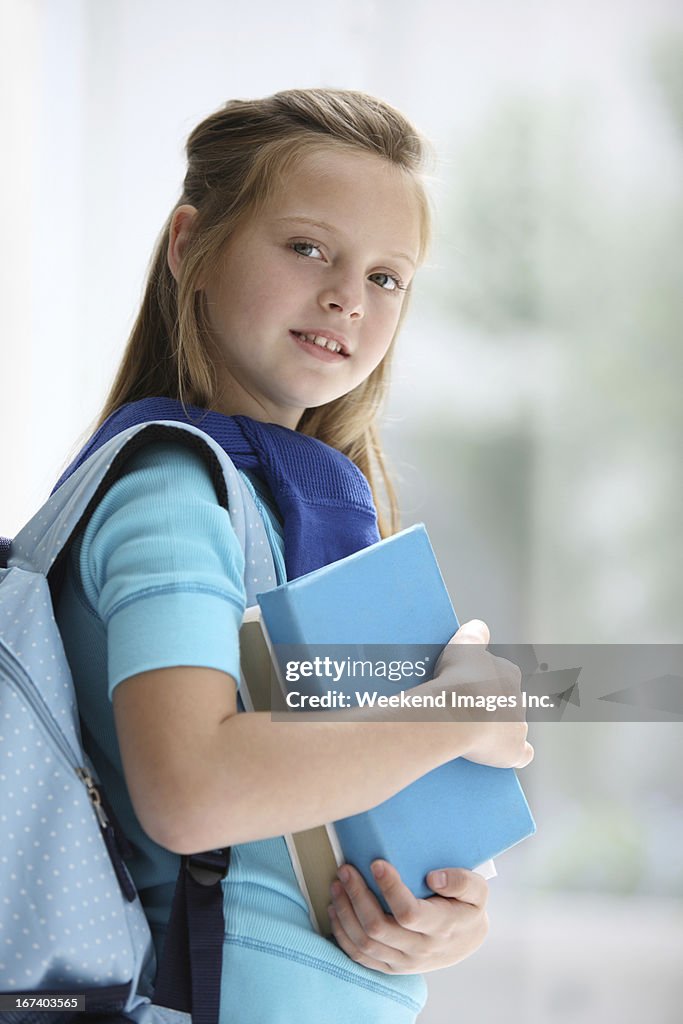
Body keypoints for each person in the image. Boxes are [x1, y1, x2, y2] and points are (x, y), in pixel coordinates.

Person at [55, 88, 533, 1023]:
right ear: (191, 245)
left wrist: (444, 921)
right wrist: (452, 715)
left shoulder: (289, 513)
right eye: (308, 247)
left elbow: (332, 808)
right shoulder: (171, 492)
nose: (346, 296)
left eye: (387, 276)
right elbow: (191, 794)